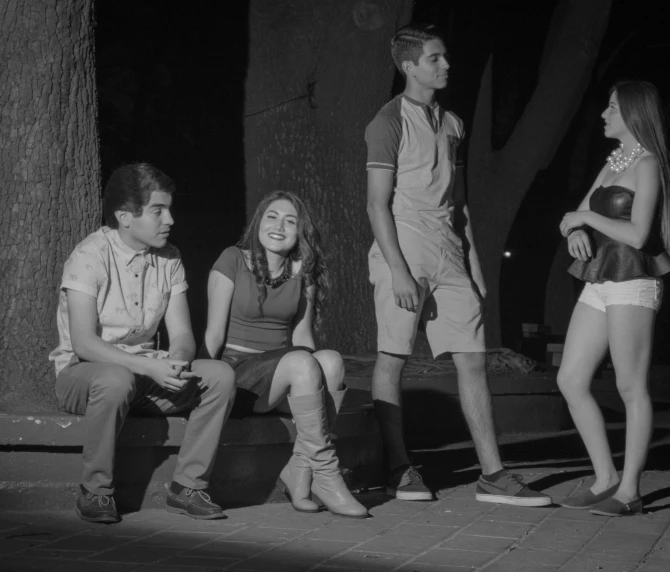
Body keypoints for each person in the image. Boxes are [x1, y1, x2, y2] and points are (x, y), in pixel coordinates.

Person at [364, 23, 551, 506]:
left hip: (450, 253)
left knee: (472, 359)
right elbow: (376, 205)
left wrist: (475, 266)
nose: (446, 65)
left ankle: (493, 474)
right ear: (409, 66)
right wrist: (400, 270)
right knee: (393, 356)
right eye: (435, 58)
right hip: (403, 248)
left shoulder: (453, 124)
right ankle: (399, 468)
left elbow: (460, 204)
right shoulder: (387, 122)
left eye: (445, 57)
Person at [49, 163, 237, 524]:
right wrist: (151, 366)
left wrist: (177, 363)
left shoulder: (170, 258)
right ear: (124, 216)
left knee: (220, 375)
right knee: (116, 378)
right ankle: (95, 490)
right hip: (86, 376)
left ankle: (188, 486)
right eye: (158, 210)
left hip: (146, 375)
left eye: (169, 209)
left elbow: (182, 335)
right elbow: (85, 343)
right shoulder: (89, 256)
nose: (170, 219)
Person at [557, 80, 670, 516]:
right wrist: (575, 229)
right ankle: (605, 478)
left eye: (611, 107)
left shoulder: (646, 164)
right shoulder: (614, 159)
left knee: (630, 386)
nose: (603, 114)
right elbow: (574, 213)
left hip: (633, 280)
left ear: (632, 113)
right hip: (599, 280)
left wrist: (585, 217)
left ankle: (630, 491)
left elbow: (638, 234)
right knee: (570, 379)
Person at [203, 190, 368, 519]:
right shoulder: (232, 259)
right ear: (258, 223)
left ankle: (300, 468)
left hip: (283, 375)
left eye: (290, 221)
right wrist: (202, 383)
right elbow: (214, 332)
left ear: (300, 232)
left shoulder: (302, 272)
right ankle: (326, 472)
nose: (279, 226)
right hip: (239, 378)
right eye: (272, 217)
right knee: (304, 362)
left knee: (331, 361)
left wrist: (310, 373)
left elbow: (302, 336)